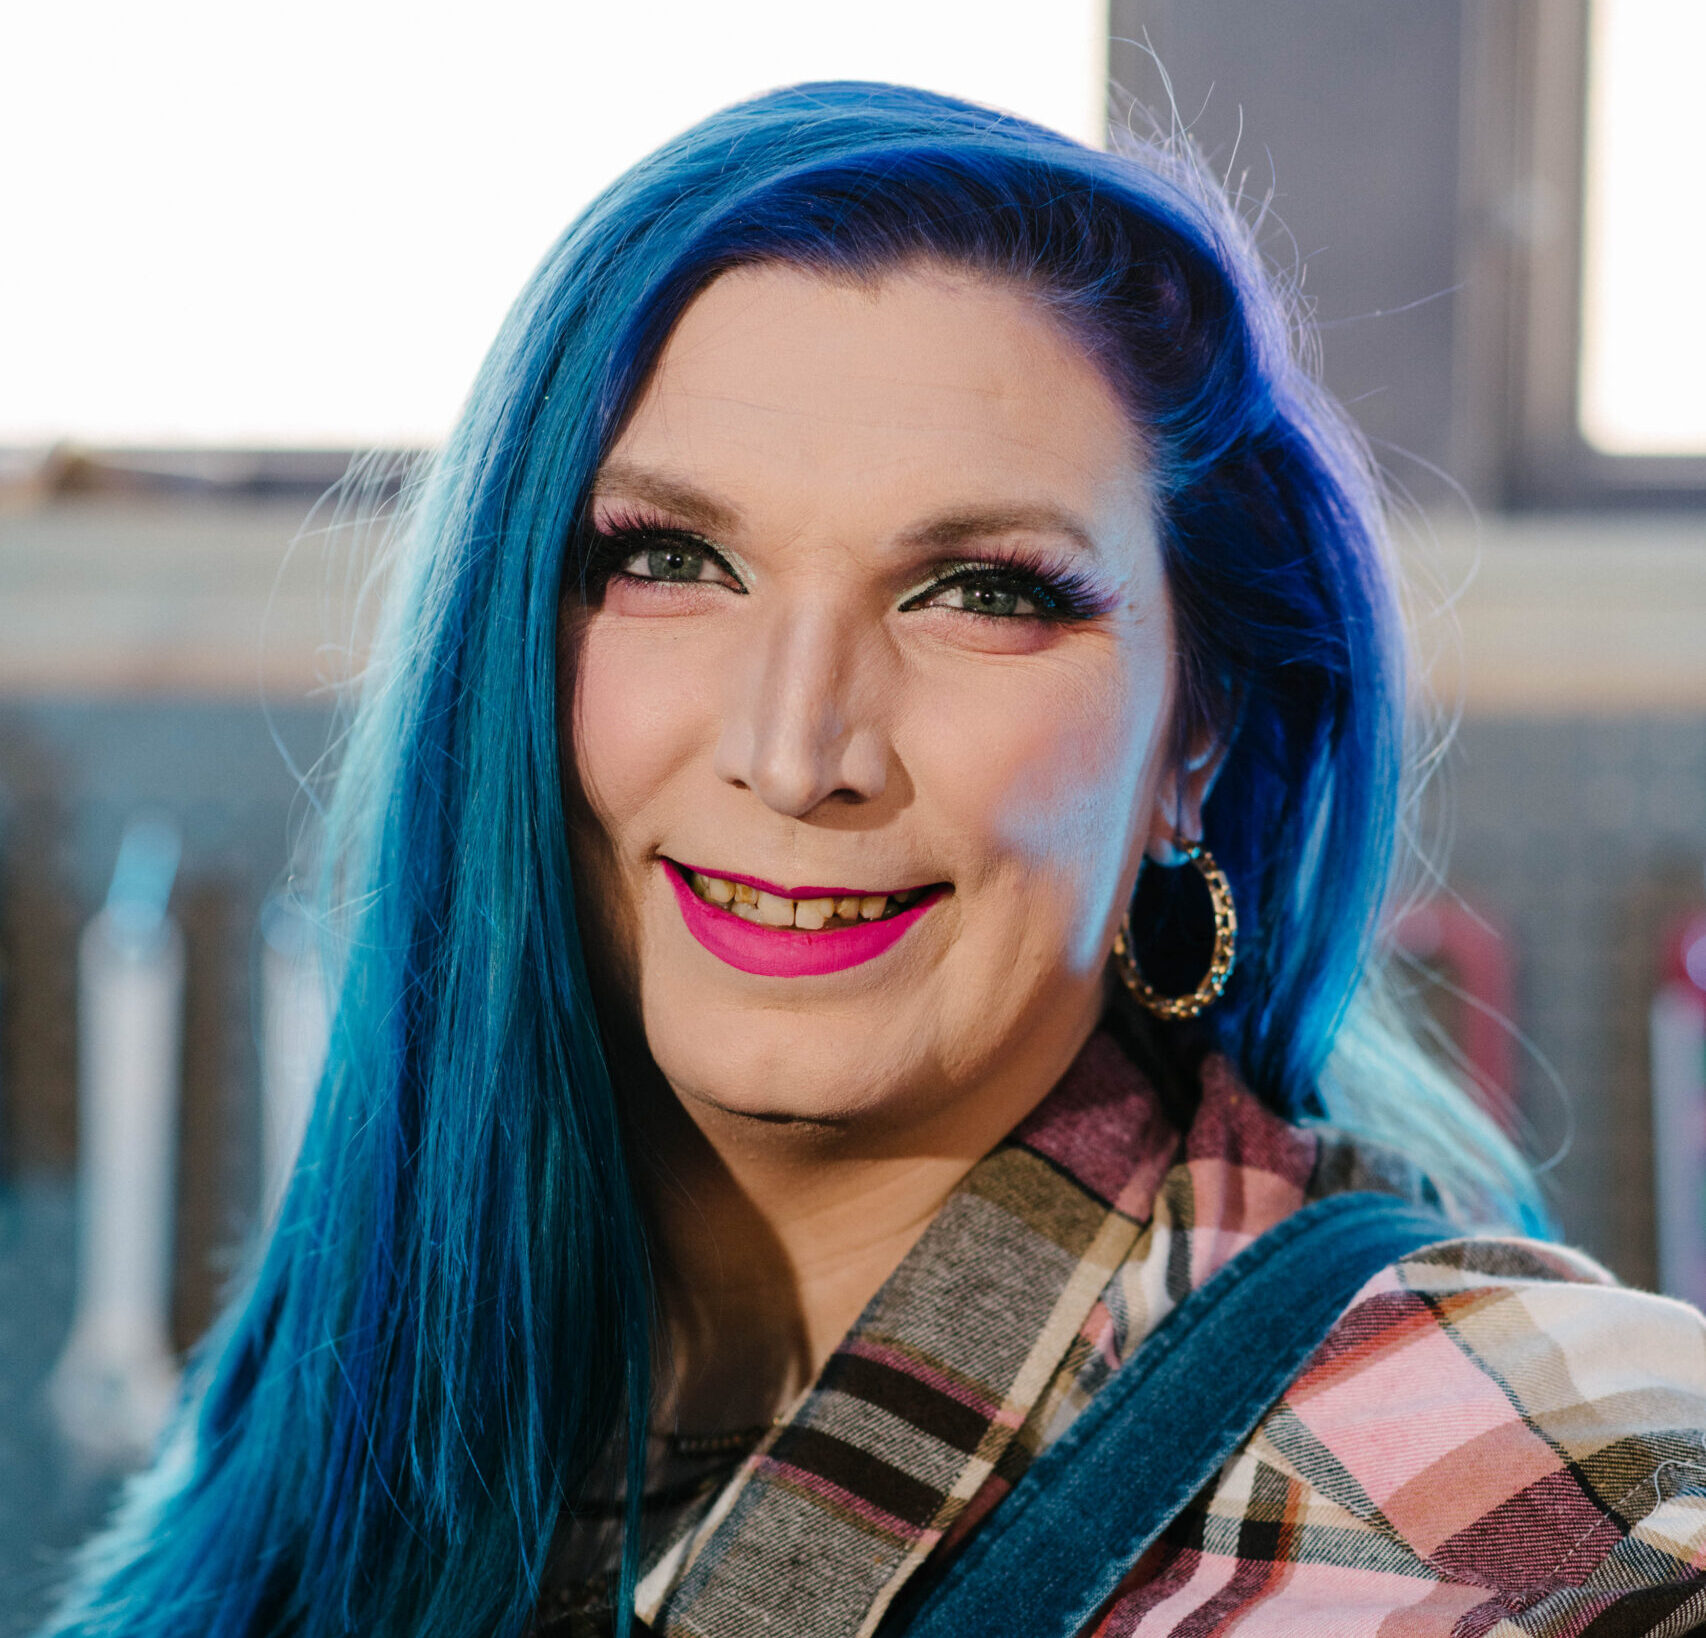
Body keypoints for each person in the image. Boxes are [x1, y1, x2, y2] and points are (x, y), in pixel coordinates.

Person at [42, 81, 1706, 1638]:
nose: (796, 746)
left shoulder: (1574, 1508)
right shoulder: (309, 1459)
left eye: (980, 589)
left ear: (1194, 736)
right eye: (671, 560)